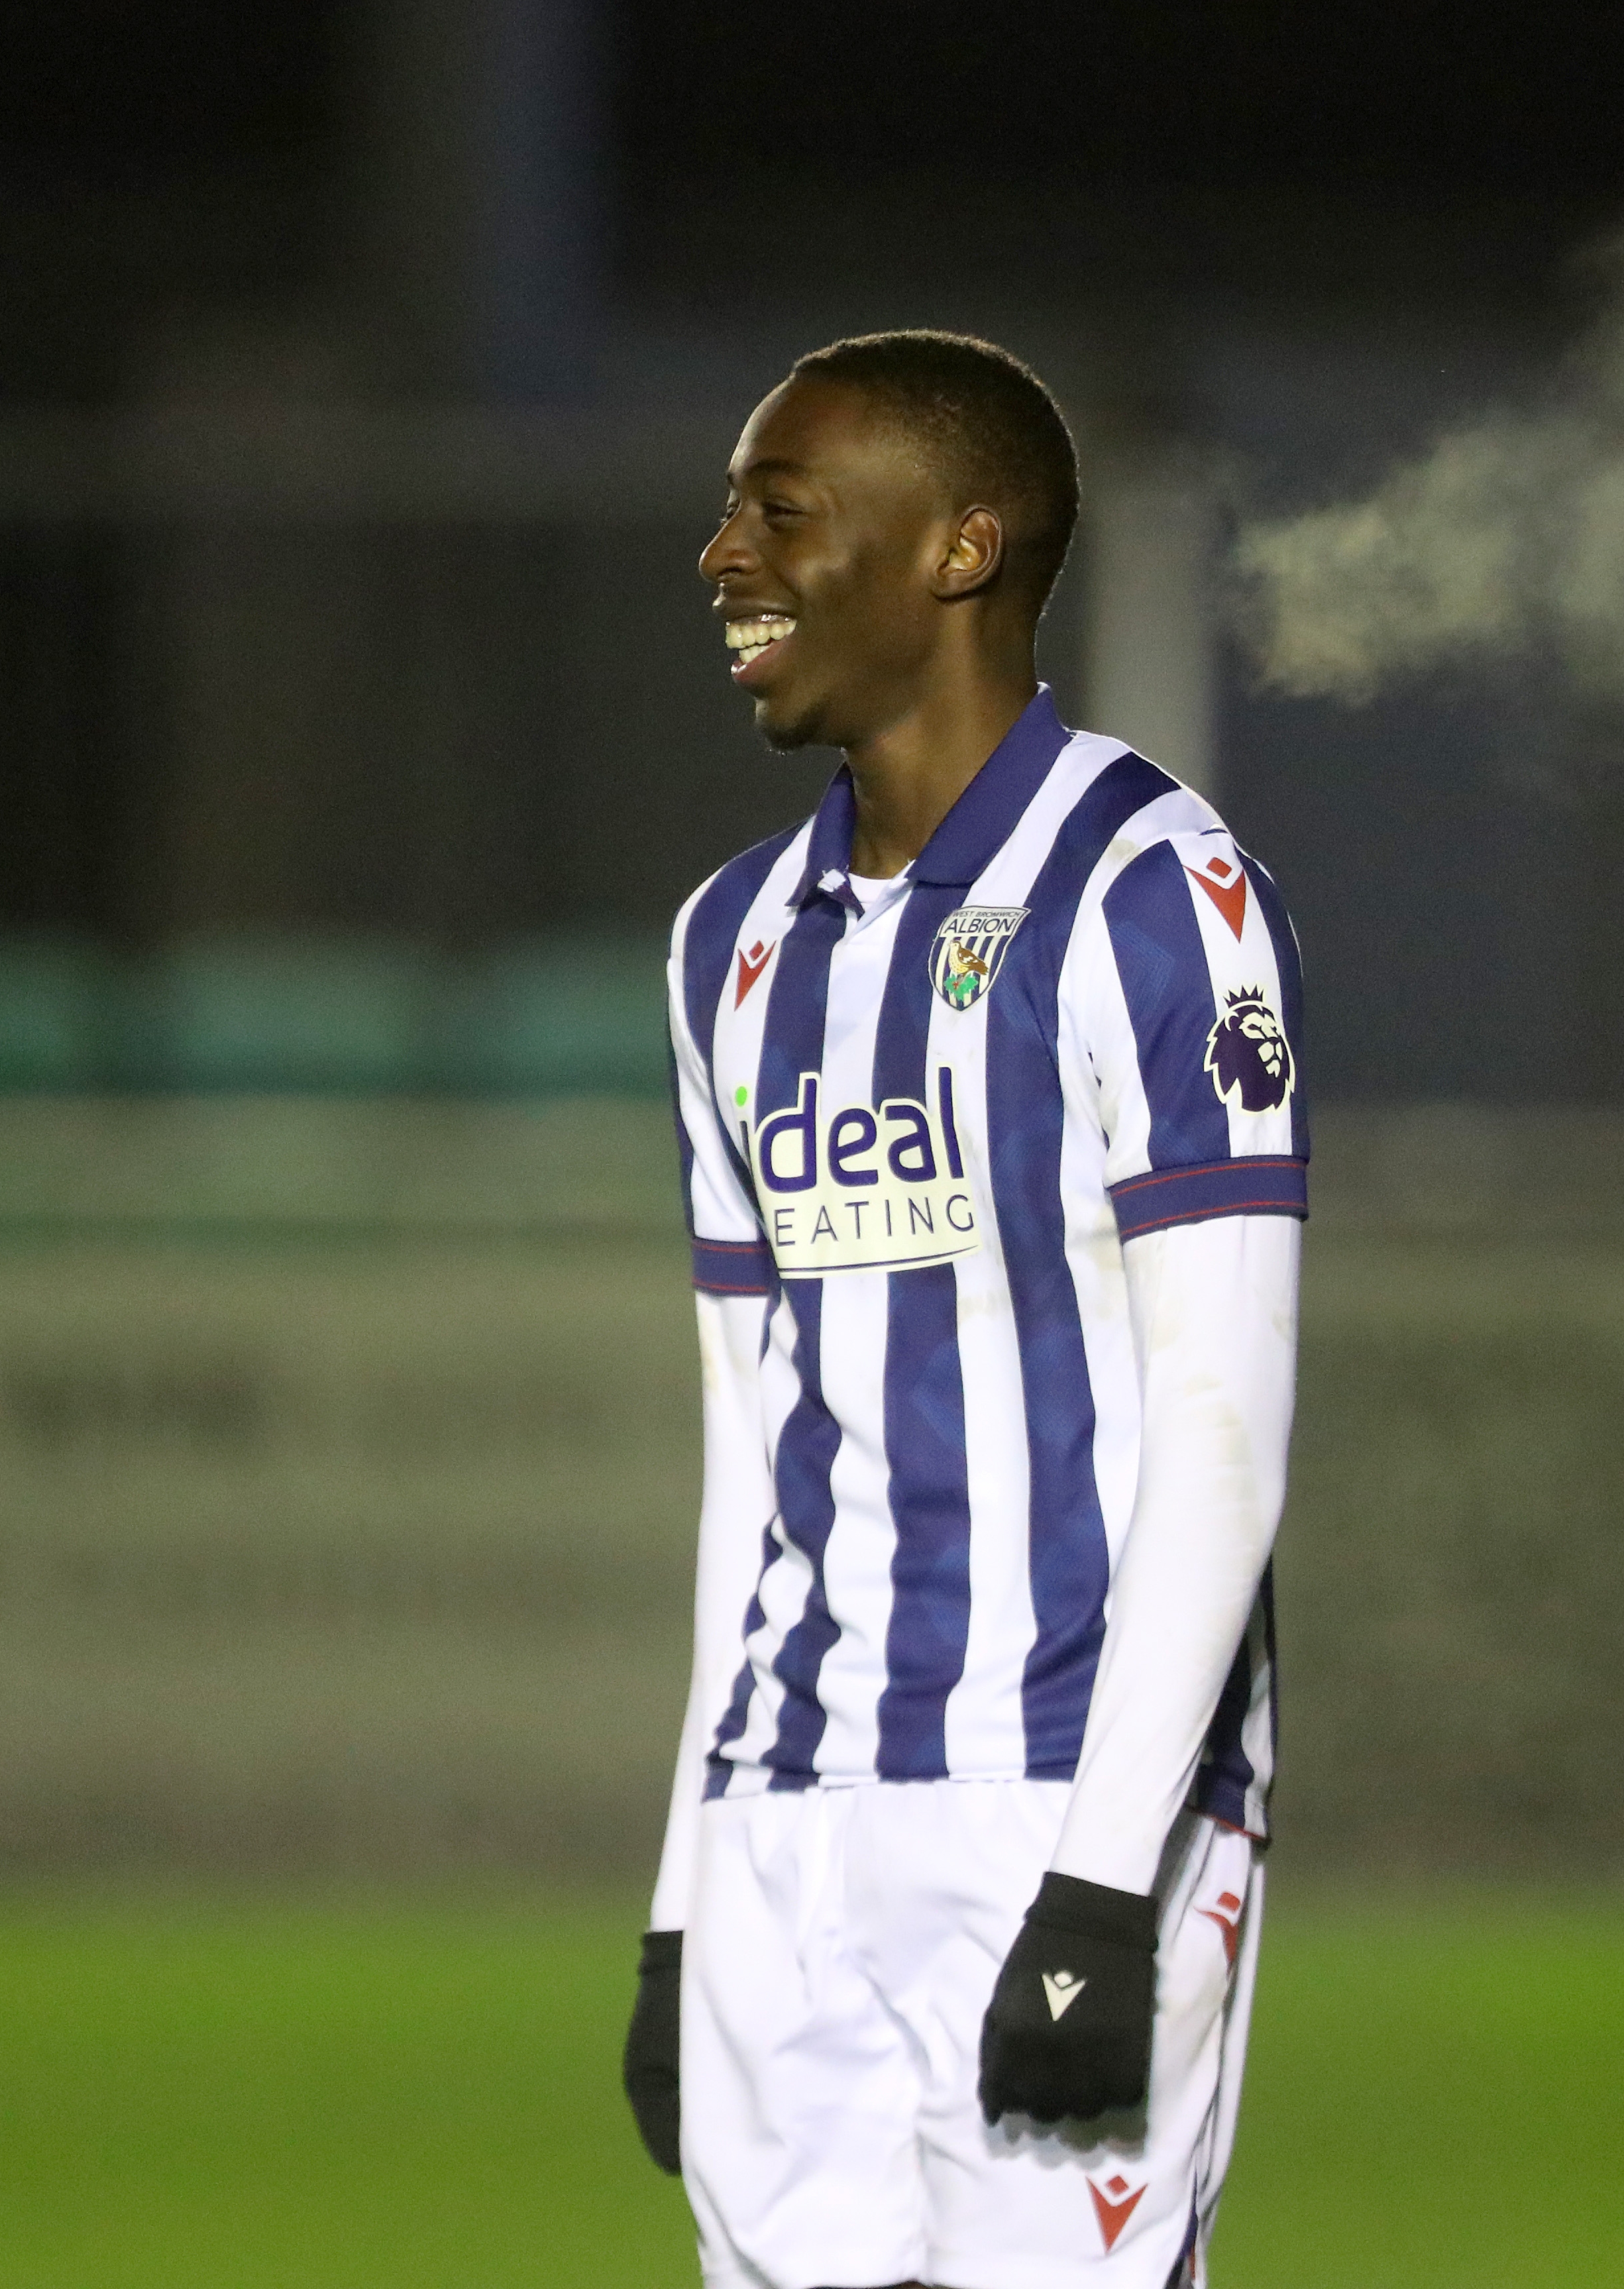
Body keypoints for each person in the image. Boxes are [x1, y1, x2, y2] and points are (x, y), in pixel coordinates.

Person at [621, 330, 1306, 2289]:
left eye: (780, 508)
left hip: (1065, 1796)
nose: (722, 554)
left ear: (958, 550)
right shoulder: (729, 946)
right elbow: (750, 1450)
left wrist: (1105, 1884)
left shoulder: (1155, 892)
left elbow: (1223, 1423)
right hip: (787, 1819)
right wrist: (688, 1894)